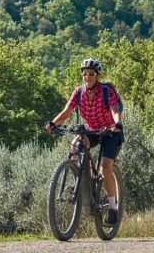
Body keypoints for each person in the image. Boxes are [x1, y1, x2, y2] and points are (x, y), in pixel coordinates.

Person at [45, 57, 123, 223]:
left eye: (91, 74)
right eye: (85, 74)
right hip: (91, 131)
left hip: (110, 132)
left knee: (105, 168)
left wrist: (118, 123)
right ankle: (80, 177)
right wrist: (53, 123)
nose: (87, 77)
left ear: (97, 76)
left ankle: (112, 207)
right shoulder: (78, 91)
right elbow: (67, 111)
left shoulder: (105, 91)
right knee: (75, 145)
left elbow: (114, 109)